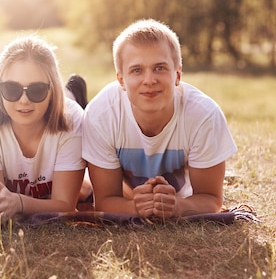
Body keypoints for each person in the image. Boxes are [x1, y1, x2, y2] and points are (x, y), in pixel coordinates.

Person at [82, 18, 237, 218]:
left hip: (179, 195)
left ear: (178, 74)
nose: (149, 80)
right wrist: (133, 208)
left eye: (160, 68)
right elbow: (104, 201)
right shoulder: (100, 116)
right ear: (121, 79)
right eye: (137, 70)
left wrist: (178, 207)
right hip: (126, 192)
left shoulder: (204, 115)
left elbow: (211, 199)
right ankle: (73, 96)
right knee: (82, 189)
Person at [0, 35, 87, 228]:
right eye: (11, 89)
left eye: (37, 90)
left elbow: (66, 207)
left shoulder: (73, 118)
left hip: (65, 113)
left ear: (52, 90)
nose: (24, 100)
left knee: (84, 190)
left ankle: (74, 92)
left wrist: (19, 202)